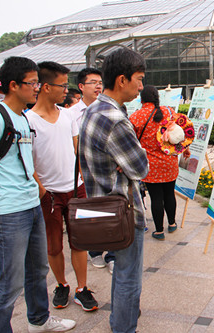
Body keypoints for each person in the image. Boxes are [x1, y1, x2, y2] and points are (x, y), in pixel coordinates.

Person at [0, 56, 75, 332]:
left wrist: (41, 193)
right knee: (10, 282)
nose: (36, 87)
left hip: (31, 205)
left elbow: (26, 164)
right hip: (7, 211)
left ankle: (39, 320)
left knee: (37, 270)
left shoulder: (21, 118)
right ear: (14, 85)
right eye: (32, 83)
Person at [79, 48, 148, 333]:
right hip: (124, 212)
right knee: (128, 276)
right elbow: (140, 166)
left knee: (121, 272)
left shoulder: (94, 108)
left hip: (101, 204)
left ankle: (120, 321)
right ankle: (124, 328)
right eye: (139, 79)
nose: (141, 87)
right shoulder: (115, 119)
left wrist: (126, 161)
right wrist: (134, 156)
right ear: (122, 79)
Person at [27, 61, 98, 312]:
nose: (66, 91)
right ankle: (61, 284)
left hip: (75, 189)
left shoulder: (68, 115)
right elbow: (27, 162)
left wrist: (82, 182)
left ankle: (82, 288)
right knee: (54, 244)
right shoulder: (29, 121)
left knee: (79, 241)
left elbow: (77, 151)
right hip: (49, 194)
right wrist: (42, 191)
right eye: (62, 85)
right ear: (46, 87)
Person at [68, 67, 115, 272]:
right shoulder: (69, 115)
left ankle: (112, 253)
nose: (98, 86)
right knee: (90, 215)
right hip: (81, 176)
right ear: (81, 86)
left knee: (111, 213)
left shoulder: (107, 110)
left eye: (100, 82)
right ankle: (95, 251)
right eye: (93, 82)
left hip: (105, 173)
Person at [129, 85, 188, 240]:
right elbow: (180, 133)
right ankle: (172, 223)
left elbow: (131, 142)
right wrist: (185, 149)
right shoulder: (169, 112)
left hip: (150, 165)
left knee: (156, 197)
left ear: (141, 99)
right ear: (157, 98)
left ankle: (159, 231)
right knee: (169, 193)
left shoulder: (135, 117)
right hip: (170, 162)